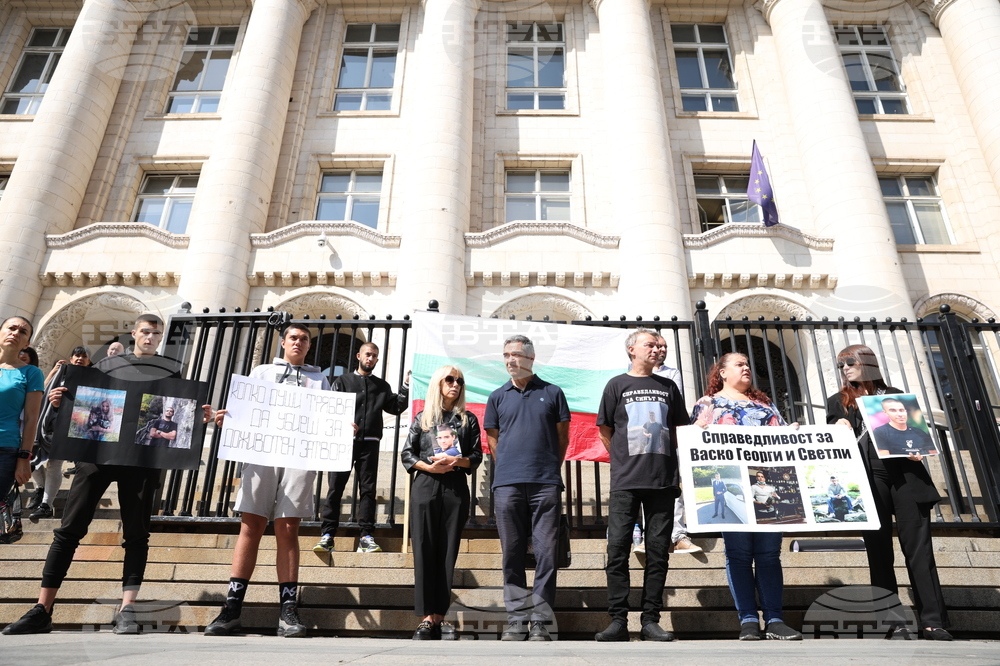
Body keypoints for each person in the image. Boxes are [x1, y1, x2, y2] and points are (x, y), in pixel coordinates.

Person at [3, 313, 212, 636]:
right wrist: (60, 403)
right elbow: (84, 404)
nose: (150, 337)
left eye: (156, 334)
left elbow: (179, 412)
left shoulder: (172, 370)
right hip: (96, 456)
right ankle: (42, 608)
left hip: (142, 460)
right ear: (134, 333)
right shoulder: (106, 366)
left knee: (137, 534)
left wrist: (198, 417)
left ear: (161, 337)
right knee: (69, 529)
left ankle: (127, 608)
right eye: (145, 332)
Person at [206, 323, 333, 638]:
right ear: (282, 342)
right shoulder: (262, 373)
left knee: (288, 527)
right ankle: (232, 607)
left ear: (309, 345)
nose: (299, 342)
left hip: (300, 455)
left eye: (305, 339)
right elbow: (243, 410)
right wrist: (225, 418)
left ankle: (288, 610)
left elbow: (328, 418)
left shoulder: (320, 379)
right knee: (251, 524)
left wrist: (342, 427)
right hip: (261, 453)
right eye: (294, 337)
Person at [826, 344, 951, 641]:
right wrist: (838, 424)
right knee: (879, 552)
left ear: (867, 363)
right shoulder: (838, 401)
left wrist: (917, 448)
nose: (845, 368)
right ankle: (891, 622)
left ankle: (933, 621)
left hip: (906, 476)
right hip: (868, 477)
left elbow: (915, 433)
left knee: (919, 552)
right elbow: (833, 434)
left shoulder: (894, 396)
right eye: (841, 364)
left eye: (850, 362)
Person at [690, 352, 802, 641]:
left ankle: (775, 619)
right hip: (737, 485)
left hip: (767, 486)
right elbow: (694, 444)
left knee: (768, 554)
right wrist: (697, 430)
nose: (746, 368)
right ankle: (749, 620)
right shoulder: (708, 405)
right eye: (739, 364)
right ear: (722, 373)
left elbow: (781, 439)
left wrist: (792, 432)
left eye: (748, 364)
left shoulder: (764, 405)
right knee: (738, 555)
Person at [594, 328, 687, 642]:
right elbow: (605, 430)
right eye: (651, 344)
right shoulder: (616, 385)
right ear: (632, 349)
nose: (657, 348)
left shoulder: (669, 387)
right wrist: (623, 459)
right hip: (626, 481)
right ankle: (618, 620)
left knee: (658, 552)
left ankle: (650, 619)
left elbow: (678, 431)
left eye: (660, 345)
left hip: (662, 482)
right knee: (617, 550)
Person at [485, 334, 570, 642]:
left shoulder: (553, 392)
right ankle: (517, 620)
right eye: (506, 355)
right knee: (512, 554)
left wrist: (547, 466)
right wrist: (509, 466)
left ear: (531, 359)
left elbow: (562, 437)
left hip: (545, 484)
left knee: (547, 554)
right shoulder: (497, 396)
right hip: (506, 485)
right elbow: (493, 440)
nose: (511, 360)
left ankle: (540, 622)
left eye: (517, 355)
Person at [401, 366, 482, 640]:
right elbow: (407, 454)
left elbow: (476, 456)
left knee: (447, 551)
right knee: (424, 548)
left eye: (459, 380)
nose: (455, 384)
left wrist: (457, 461)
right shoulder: (422, 419)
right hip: (425, 484)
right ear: (438, 383)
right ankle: (425, 618)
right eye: (450, 379)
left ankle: (440, 616)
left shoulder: (468, 420)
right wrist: (429, 467)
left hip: (455, 486)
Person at [314, 342, 408, 554]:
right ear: (358, 356)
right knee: (335, 488)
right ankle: (327, 535)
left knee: (368, 491)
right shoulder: (342, 381)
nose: (371, 358)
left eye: (374, 356)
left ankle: (366, 536)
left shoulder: (382, 386)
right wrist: (342, 424)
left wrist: (407, 386)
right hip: (344, 443)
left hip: (370, 443)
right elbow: (330, 410)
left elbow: (396, 407)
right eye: (368, 354)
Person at [29, 350, 92, 518]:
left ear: (89, 361)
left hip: (68, 425)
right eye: (77, 356)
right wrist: (53, 372)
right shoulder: (61, 374)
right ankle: (41, 488)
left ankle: (46, 505)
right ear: (70, 359)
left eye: (84, 356)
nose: (80, 358)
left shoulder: (91, 378)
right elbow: (42, 393)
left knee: (54, 465)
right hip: (45, 423)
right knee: (30, 457)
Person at [0, 317, 44, 520]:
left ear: (27, 343)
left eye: (23, 331)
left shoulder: (31, 373)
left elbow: (31, 418)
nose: (16, 333)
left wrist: (24, 458)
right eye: (11, 328)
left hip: (5, 451)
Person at [871, 397, 936, 457]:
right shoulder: (880, 432)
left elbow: (933, 453)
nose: (899, 414)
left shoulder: (919, 432)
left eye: (901, 410)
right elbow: (885, 457)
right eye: (893, 410)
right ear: (885, 413)